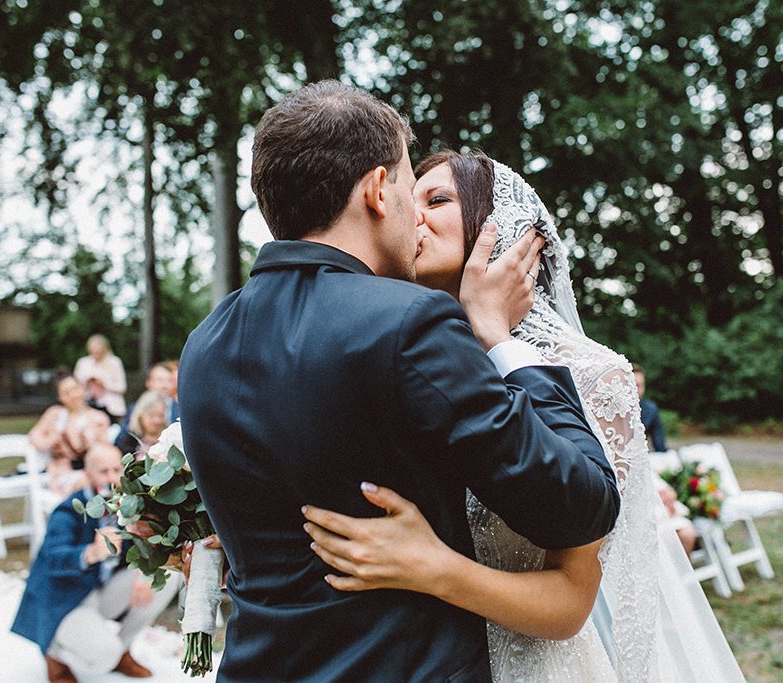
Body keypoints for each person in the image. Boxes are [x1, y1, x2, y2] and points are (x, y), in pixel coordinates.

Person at [178, 81, 620, 682]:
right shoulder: (407, 321)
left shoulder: (204, 344)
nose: (417, 215)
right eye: (413, 190)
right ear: (378, 190)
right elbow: (580, 507)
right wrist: (504, 343)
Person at [304, 152, 745, 681]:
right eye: (408, 198)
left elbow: (571, 602)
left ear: (504, 231)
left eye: (437, 200)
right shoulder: (395, 356)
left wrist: (433, 566)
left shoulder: (590, 375)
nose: (410, 214)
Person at [10, 443, 180, 683]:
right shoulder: (67, 511)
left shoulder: (128, 505)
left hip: (101, 590)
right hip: (65, 601)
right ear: (88, 474)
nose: (111, 478)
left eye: (116, 470)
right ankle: (55, 655)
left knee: (167, 576)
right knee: (103, 656)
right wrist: (90, 552)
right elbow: (53, 558)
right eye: (103, 471)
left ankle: (122, 651)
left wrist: (144, 574)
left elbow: (145, 549)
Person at [28, 372, 110, 497]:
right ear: (59, 397)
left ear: (82, 389)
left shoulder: (98, 418)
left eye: (75, 389)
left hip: (92, 472)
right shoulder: (55, 414)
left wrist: (91, 444)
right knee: (87, 482)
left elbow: (105, 452)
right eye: (66, 393)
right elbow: (34, 437)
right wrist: (53, 438)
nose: (73, 395)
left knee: (99, 479)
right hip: (63, 473)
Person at [115, 363, 179, 441]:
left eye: (169, 380)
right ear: (148, 383)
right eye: (160, 380)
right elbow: (122, 439)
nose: (164, 385)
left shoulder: (180, 410)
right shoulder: (134, 409)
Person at [73, 334, 127, 422]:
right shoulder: (83, 363)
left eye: (99, 351)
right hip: (88, 405)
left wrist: (104, 384)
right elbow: (76, 386)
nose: (96, 354)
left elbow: (122, 387)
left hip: (111, 409)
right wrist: (87, 382)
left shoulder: (114, 362)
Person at [114, 390, 168, 458]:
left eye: (160, 415)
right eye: (151, 415)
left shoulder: (168, 438)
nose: (157, 420)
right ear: (141, 415)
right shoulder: (128, 440)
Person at [633, 364, 667, 452]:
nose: (639, 390)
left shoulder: (650, 409)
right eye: (635, 385)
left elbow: (660, 445)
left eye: (642, 385)